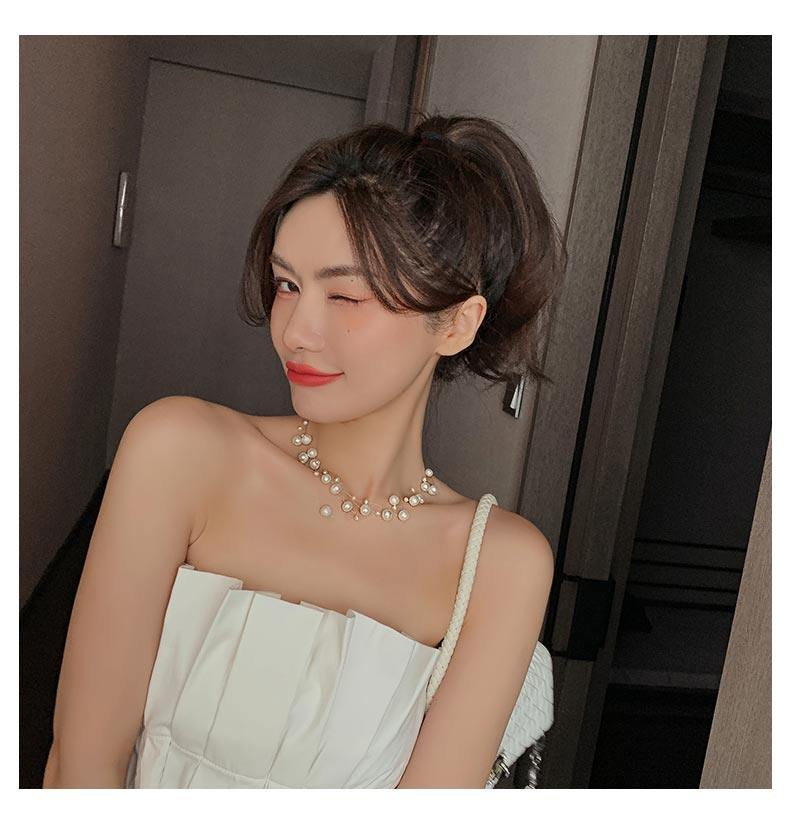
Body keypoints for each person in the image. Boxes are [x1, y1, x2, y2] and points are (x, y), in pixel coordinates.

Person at [43, 113, 566, 789]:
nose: (296, 331)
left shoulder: (498, 563)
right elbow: (81, 765)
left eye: (345, 295)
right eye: (288, 284)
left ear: (457, 324)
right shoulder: (178, 452)